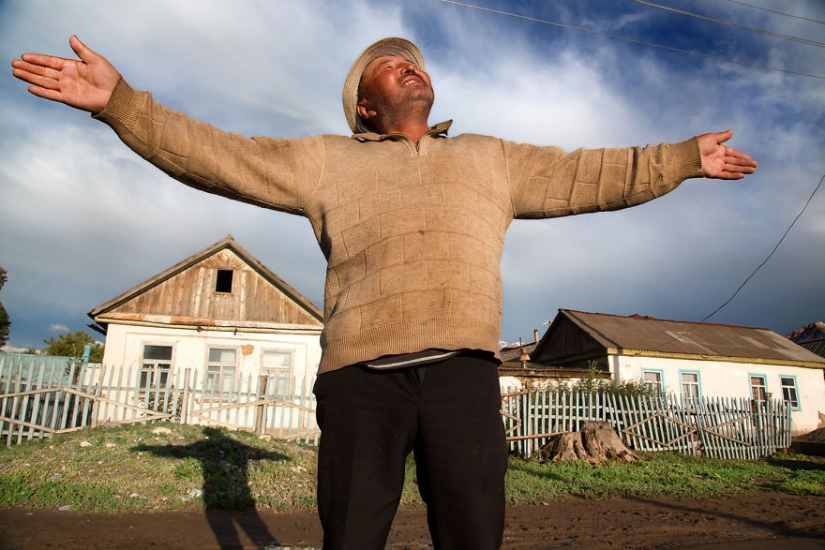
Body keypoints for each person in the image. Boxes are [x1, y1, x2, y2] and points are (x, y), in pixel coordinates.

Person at [12, 35, 757, 550]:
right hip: (358, 383)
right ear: (363, 106)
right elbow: (215, 154)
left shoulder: (489, 159)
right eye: (387, 64)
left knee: (473, 534)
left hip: (464, 376)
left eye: (413, 62)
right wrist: (123, 106)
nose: (407, 66)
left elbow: (588, 174)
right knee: (353, 535)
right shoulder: (325, 162)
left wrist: (680, 158)